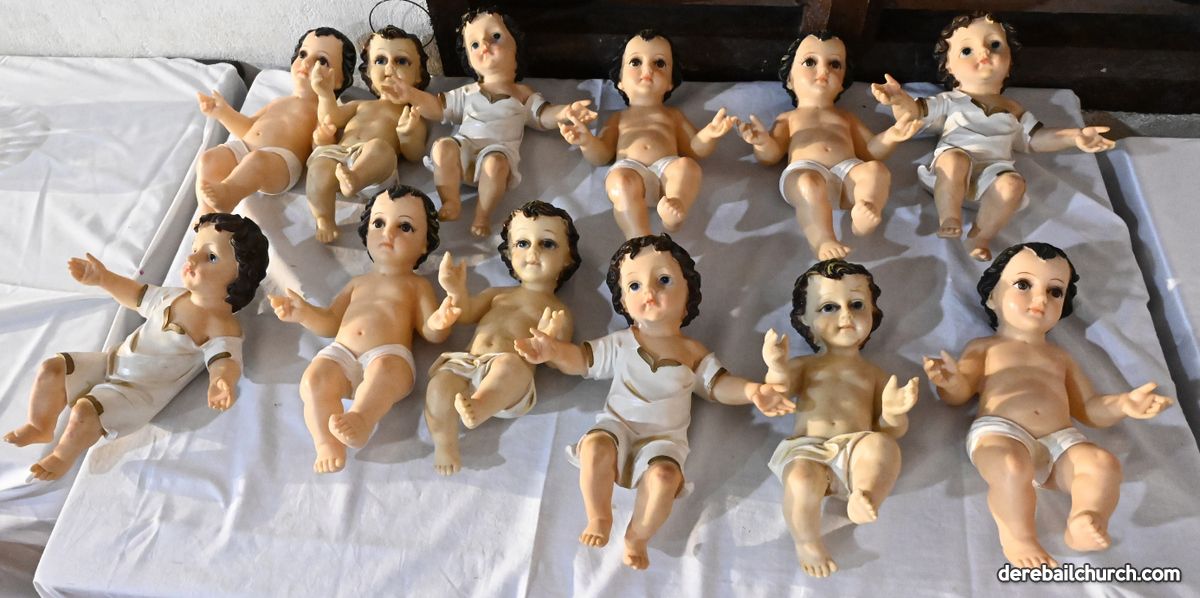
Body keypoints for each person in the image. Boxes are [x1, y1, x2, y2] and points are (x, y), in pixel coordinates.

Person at [516, 234, 794, 570]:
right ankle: (599, 516)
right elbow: (582, 361)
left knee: (664, 478)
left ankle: (637, 535)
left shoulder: (692, 352)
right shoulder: (622, 342)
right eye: (634, 286)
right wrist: (553, 351)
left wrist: (752, 391)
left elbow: (718, 386)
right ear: (622, 300)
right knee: (595, 448)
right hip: (617, 426)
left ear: (688, 292)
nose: (649, 292)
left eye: (663, 280)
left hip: (664, 441)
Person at [924, 242, 1172, 567]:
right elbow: (959, 395)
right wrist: (950, 381)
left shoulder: (1060, 356)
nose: (1040, 299)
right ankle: (1019, 538)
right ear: (992, 297)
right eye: (1023, 285)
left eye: (1055, 291)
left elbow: (1089, 409)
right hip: (1001, 432)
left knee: (1102, 463)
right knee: (1011, 466)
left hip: (1060, 439)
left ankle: (1085, 518)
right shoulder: (985, 347)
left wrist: (1124, 405)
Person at [4, 214, 269, 480]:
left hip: (137, 393)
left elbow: (224, 359)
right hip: (113, 362)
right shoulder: (173, 296)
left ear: (240, 275)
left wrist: (221, 380)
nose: (191, 259)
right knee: (52, 368)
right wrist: (103, 278)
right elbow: (135, 295)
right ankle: (40, 425)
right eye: (194, 249)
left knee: (85, 410)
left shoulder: (221, 326)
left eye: (210, 257)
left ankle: (62, 457)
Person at [872, 13, 1115, 260]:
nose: (984, 53)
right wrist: (898, 99)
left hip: (994, 171)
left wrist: (1075, 136)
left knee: (1013, 185)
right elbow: (913, 114)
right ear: (948, 66)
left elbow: (1035, 139)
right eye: (967, 50)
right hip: (952, 164)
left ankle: (980, 236)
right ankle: (950, 216)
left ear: (1010, 60)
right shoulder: (950, 101)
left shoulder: (1013, 109)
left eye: (995, 44)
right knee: (955, 161)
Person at [269, 185, 460, 473]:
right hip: (341, 352)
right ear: (366, 232)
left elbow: (431, 332)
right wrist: (304, 313)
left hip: (387, 354)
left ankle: (361, 418)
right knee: (314, 380)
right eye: (379, 223)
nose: (388, 233)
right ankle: (326, 443)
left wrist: (439, 321)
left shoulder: (416, 285)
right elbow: (331, 323)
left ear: (424, 244)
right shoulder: (357, 283)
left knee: (385, 371)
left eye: (405, 227)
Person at [761, 259, 917, 577]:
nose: (846, 315)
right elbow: (779, 390)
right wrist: (776, 366)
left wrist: (893, 413)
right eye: (829, 307)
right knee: (801, 480)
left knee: (883, 447)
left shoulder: (874, 373)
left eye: (856, 304)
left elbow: (890, 431)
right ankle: (807, 541)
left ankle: (864, 494)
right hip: (808, 447)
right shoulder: (806, 365)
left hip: (855, 446)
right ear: (805, 318)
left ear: (873, 312)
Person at [389, 9, 596, 237]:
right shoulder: (468, 92)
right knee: (442, 146)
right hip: (463, 150)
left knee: (495, 163)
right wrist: (411, 94)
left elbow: (543, 116)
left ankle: (482, 215)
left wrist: (566, 111)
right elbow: (437, 108)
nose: (485, 45)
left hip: (497, 153)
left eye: (495, 36)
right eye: (474, 44)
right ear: (468, 58)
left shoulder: (522, 93)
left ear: (516, 45)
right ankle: (450, 201)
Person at [425, 200, 582, 475]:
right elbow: (467, 313)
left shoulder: (557, 310)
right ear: (509, 252)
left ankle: (481, 404)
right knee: (439, 386)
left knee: (509, 365)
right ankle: (445, 443)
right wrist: (456, 291)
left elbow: (556, 359)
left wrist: (549, 342)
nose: (532, 252)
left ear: (568, 257)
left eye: (547, 244)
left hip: (509, 373)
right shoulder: (498, 294)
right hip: (468, 361)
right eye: (522, 243)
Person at [739, 32, 920, 259]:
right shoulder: (789, 118)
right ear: (789, 79)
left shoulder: (846, 117)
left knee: (876, 171)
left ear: (843, 82)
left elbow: (870, 151)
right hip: (806, 170)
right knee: (808, 183)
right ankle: (823, 239)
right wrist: (763, 142)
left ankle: (865, 210)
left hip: (847, 174)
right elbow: (771, 156)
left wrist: (892, 135)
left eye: (835, 64)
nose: (824, 71)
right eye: (810, 62)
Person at [559, 30, 738, 239]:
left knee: (688, 167)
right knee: (619, 181)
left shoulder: (673, 115)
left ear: (671, 82)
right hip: (630, 169)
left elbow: (693, 150)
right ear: (620, 81)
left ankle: (675, 210)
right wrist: (587, 141)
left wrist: (709, 135)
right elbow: (602, 156)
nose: (647, 69)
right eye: (635, 62)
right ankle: (637, 236)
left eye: (659, 63)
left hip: (666, 170)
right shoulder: (619, 117)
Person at [196, 27, 355, 214]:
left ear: (339, 80)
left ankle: (229, 195)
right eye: (303, 54)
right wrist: (222, 112)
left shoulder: (322, 109)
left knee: (256, 161)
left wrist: (324, 138)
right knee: (209, 159)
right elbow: (248, 128)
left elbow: (322, 151)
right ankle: (207, 217)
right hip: (246, 148)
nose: (306, 62)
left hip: (280, 162)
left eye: (322, 61)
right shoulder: (279, 101)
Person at [305, 25, 431, 243]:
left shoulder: (410, 113)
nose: (389, 68)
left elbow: (415, 154)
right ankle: (324, 219)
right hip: (339, 157)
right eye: (380, 60)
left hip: (373, 172)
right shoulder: (360, 104)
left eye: (401, 61)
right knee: (318, 169)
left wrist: (408, 133)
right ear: (369, 72)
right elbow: (331, 118)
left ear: (419, 75)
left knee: (380, 148)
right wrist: (325, 94)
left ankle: (355, 178)